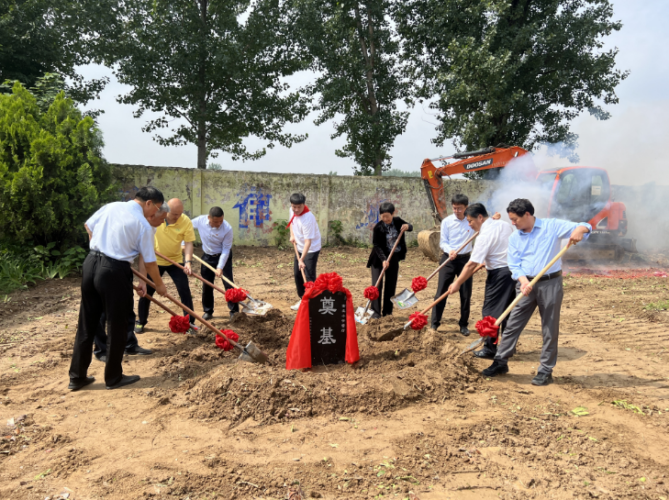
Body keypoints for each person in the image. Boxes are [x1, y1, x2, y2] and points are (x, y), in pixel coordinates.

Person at [482, 198, 592, 386]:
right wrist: (523, 281)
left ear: (527, 214)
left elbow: (585, 226)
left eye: (515, 219)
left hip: (550, 284)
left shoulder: (551, 226)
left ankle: (545, 370)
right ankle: (500, 362)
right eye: (511, 219)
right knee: (513, 323)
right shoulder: (515, 238)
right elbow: (514, 264)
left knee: (549, 327)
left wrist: (580, 231)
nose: (512, 223)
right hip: (525, 285)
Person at [68, 187, 168, 391]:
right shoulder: (142, 224)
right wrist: (159, 285)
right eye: (157, 208)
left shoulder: (111, 207)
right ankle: (113, 377)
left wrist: (101, 246)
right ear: (149, 203)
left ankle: (77, 377)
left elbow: (88, 225)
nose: (155, 214)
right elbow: (150, 262)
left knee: (87, 322)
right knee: (117, 324)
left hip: (90, 264)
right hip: (114, 270)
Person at [93, 205, 170, 362]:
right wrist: (159, 284)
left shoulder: (150, 228)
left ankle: (129, 344)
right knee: (102, 310)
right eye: (162, 218)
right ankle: (101, 349)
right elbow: (89, 227)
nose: (164, 222)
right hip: (105, 265)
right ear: (152, 214)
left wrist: (143, 281)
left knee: (127, 307)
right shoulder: (131, 221)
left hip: (122, 267)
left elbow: (144, 256)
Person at [447, 203, 515, 359]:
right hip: (514, 272)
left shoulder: (484, 235)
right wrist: (490, 258)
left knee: (491, 312)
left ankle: (490, 348)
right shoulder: (503, 224)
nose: (469, 225)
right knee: (507, 311)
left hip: (499, 274)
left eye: (470, 221)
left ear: (480, 217)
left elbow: (471, 265)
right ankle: (508, 347)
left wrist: (457, 283)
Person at [136, 198, 196, 333]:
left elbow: (188, 243)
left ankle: (190, 323)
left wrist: (188, 262)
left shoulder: (185, 221)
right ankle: (141, 321)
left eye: (180, 214)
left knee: (184, 290)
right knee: (146, 291)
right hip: (155, 261)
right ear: (166, 211)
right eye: (175, 214)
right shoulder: (155, 218)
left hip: (175, 260)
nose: (178, 217)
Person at [431, 194, 475, 335]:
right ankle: (434, 324)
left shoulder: (472, 221)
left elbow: (486, 226)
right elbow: (443, 242)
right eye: (454, 208)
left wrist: (494, 219)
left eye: (460, 208)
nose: (457, 211)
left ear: (466, 207)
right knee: (441, 293)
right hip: (448, 260)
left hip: (465, 261)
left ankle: (463, 325)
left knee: (465, 294)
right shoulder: (447, 221)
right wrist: (450, 250)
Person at [366, 202, 412, 317]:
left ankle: (387, 312)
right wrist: (383, 259)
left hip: (393, 257)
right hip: (378, 259)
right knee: (377, 285)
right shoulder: (378, 227)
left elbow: (409, 226)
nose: (385, 219)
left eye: (387, 216)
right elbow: (377, 245)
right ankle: (375, 313)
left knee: (390, 285)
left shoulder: (398, 221)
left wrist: (407, 226)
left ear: (393, 213)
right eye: (383, 216)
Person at [191, 207, 238, 320]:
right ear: (209, 218)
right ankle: (208, 311)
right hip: (207, 257)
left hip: (223, 256)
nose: (219, 224)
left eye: (221, 221)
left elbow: (226, 249)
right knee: (207, 284)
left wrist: (220, 267)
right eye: (216, 221)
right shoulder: (200, 221)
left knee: (228, 284)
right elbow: (185, 227)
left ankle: (234, 311)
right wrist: (183, 243)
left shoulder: (227, 228)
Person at [288, 193, 321, 311]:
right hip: (299, 246)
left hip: (311, 249)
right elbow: (291, 222)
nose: (296, 210)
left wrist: (301, 259)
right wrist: (292, 235)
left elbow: (308, 242)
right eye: (294, 207)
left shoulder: (308, 218)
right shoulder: (292, 210)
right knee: (297, 274)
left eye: (299, 207)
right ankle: (303, 298)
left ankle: (312, 301)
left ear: (304, 205)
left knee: (308, 275)